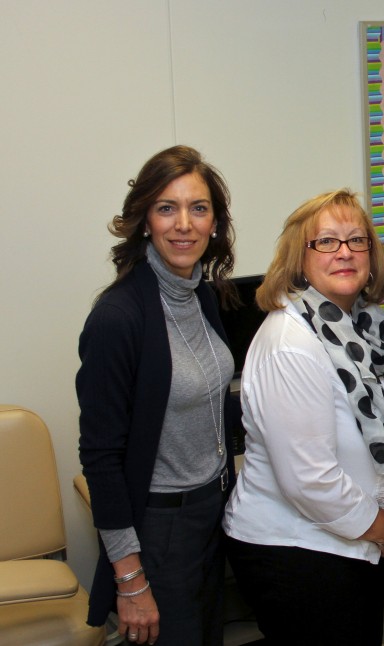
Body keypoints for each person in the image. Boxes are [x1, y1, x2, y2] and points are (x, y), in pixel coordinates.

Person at [222, 189, 384, 644]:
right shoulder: (292, 343)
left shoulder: (367, 327)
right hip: (298, 550)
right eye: (326, 242)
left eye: (356, 240)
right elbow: (310, 479)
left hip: (351, 538)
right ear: (298, 259)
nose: (344, 252)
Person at [77, 145, 239, 645]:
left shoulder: (204, 294)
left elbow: (213, 399)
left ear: (214, 223)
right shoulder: (118, 317)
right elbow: (101, 457)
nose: (183, 224)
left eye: (199, 208)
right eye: (167, 208)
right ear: (145, 219)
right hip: (159, 529)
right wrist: (130, 580)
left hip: (212, 513)